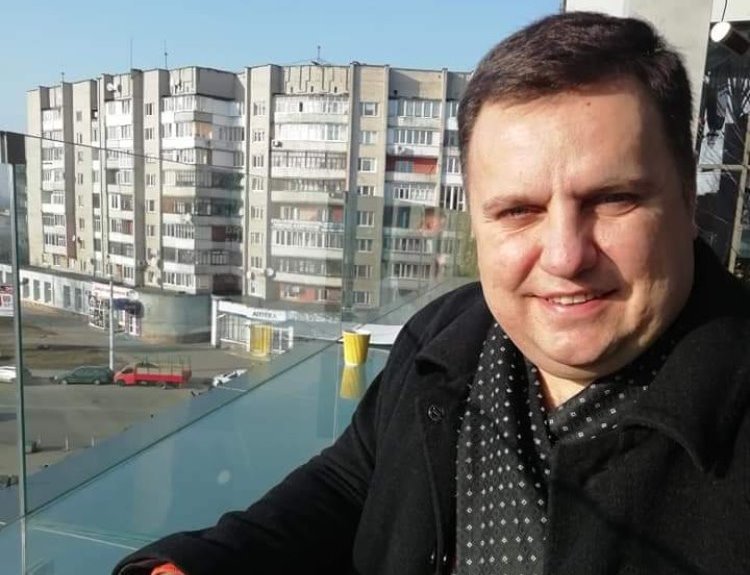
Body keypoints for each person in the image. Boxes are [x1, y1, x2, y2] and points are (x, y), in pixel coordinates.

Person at [115, 11, 750, 575]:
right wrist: (201, 562)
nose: (565, 256)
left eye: (613, 199)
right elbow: (353, 482)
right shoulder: (448, 337)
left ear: (687, 199)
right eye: (518, 211)